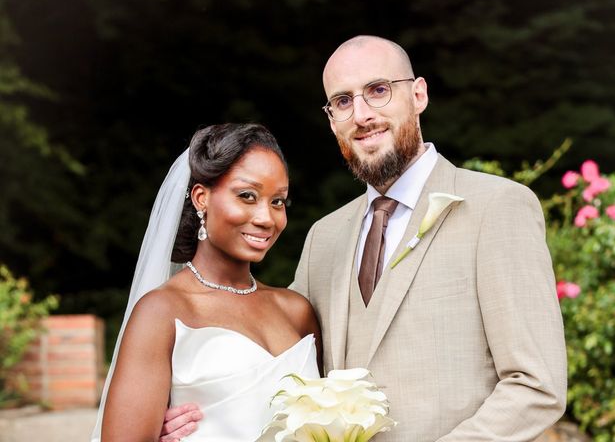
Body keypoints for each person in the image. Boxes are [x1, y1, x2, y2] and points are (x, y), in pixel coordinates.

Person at [164, 35, 567, 441]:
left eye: (378, 91)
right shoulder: (324, 236)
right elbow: (286, 373)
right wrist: (202, 419)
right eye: (342, 101)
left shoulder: (498, 208)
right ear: (331, 119)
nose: (361, 115)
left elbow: (536, 384)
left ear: (418, 94)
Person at [91, 123, 321, 442]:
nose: (266, 218)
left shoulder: (297, 311)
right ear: (201, 197)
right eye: (247, 196)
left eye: (278, 201)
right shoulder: (162, 312)